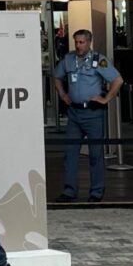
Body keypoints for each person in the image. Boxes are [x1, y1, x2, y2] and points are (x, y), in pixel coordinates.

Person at [55, 25, 120, 203]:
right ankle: (69, 190)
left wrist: (106, 99)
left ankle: (96, 191)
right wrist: (62, 95)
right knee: (70, 153)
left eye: (82, 42)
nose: (78, 46)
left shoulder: (99, 60)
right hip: (74, 112)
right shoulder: (68, 59)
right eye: (76, 42)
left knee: (95, 154)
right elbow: (57, 77)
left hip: (92, 112)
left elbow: (117, 80)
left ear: (89, 43)